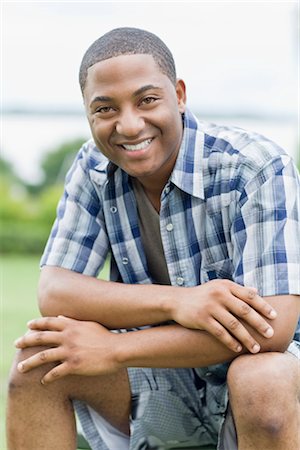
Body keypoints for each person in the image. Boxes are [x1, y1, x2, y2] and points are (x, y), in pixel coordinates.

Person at [6, 27, 300, 450]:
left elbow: (272, 329)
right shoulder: (92, 168)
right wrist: (179, 300)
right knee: (40, 362)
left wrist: (114, 349)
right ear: (88, 114)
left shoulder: (255, 165)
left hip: (273, 380)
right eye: (105, 109)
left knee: (261, 377)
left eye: (147, 100)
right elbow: (56, 290)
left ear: (179, 95)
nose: (129, 125)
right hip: (166, 378)